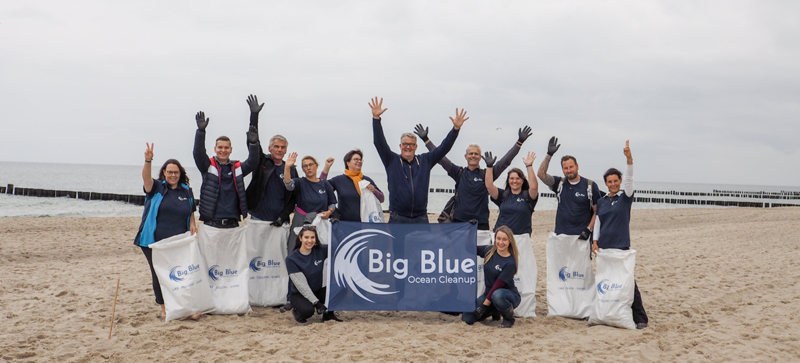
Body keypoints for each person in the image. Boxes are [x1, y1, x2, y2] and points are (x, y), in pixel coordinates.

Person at [370, 97, 467, 223]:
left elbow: (444, 148)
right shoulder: (391, 160)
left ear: (416, 147)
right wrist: (376, 119)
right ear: (400, 146)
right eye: (405, 144)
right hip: (398, 217)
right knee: (397, 244)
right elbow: (379, 142)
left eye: (411, 144)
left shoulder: (425, 161)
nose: (408, 147)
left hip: (420, 217)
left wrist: (455, 130)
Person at [414, 124, 531, 230]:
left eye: (476, 154)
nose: (473, 156)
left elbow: (505, 162)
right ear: (466, 156)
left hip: (481, 224)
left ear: (480, 157)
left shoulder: (487, 175)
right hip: (459, 223)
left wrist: (519, 142)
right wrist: (426, 140)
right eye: (471, 153)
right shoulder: (459, 173)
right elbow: (440, 158)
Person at [133, 143, 199, 320]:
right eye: (169, 172)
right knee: (159, 273)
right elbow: (146, 179)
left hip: (177, 241)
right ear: (164, 173)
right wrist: (148, 160)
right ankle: (164, 307)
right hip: (153, 241)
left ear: (180, 174)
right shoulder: (156, 188)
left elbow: (191, 209)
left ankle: (182, 306)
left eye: (175, 172)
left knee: (179, 273)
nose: (172, 175)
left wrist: (193, 223)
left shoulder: (187, 191)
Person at [592, 140, 648, 329]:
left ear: (620, 181)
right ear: (606, 183)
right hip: (605, 248)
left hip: (621, 246)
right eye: (610, 181)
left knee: (627, 282)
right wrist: (595, 241)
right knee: (606, 281)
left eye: (616, 181)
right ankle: (608, 313)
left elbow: (630, 179)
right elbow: (598, 222)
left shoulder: (626, 197)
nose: (613, 184)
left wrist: (629, 160)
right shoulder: (602, 201)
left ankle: (640, 318)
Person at [193, 110, 261, 227]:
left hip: (233, 223)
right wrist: (201, 132)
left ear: (231, 149)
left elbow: (253, 161)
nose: (223, 150)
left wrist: (253, 144)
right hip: (211, 223)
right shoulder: (207, 166)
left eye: (226, 148)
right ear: (215, 149)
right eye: (220, 147)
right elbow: (198, 153)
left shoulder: (237, 168)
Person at [244, 94, 298, 227]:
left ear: (286, 150)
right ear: (270, 148)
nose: (279, 150)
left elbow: (293, 197)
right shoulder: (261, 161)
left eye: (282, 147)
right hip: (258, 218)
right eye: (276, 147)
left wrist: (283, 217)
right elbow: (253, 141)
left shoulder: (290, 169)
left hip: (279, 222)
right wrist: (254, 116)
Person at [537, 137, 601, 238]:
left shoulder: (590, 185)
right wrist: (549, 154)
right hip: (561, 236)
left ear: (577, 166)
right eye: (565, 168)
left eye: (571, 167)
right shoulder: (559, 183)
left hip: (581, 237)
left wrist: (589, 229)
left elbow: (597, 212)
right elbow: (541, 174)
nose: (569, 170)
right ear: (562, 169)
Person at [462, 226, 520, 328]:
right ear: (495, 239)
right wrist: (470, 231)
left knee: (497, 295)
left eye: (504, 239)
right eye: (498, 238)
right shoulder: (489, 250)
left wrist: (484, 306)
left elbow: (497, 286)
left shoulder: (510, 262)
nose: (501, 242)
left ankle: (509, 319)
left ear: (510, 241)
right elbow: (468, 247)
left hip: (506, 295)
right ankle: (495, 311)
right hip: (489, 294)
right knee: (467, 318)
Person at [285, 225, 342, 323]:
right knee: (308, 311)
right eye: (306, 237)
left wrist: (336, 228)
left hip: (316, 290)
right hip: (299, 294)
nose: (309, 240)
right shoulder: (291, 259)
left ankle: (328, 315)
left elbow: (338, 246)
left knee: (339, 288)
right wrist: (317, 303)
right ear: (300, 238)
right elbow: (302, 285)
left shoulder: (320, 250)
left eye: (312, 237)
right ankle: (297, 312)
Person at [283, 153, 337, 248]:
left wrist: (329, 212)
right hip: (302, 221)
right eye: (305, 166)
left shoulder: (324, 184)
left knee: (319, 250)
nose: (308, 167)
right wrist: (287, 167)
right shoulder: (300, 182)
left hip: (321, 223)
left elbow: (332, 203)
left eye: (311, 165)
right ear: (303, 169)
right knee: (295, 249)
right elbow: (288, 185)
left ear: (316, 166)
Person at [319, 150, 385, 222]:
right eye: (356, 159)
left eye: (360, 159)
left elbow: (381, 199)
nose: (359, 161)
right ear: (348, 163)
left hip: (365, 223)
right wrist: (327, 167)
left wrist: (374, 190)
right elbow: (321, 188)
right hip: (345, 224)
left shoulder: (366, 180)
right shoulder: (339, 180)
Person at [484, 152, 539, 235]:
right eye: (512, 178)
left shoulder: (528, 196)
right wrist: (489, 167)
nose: (514, 181)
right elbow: (489, 186)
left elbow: (534, 187)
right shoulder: (503, 195)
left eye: (518, 178)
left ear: (522, 180)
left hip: (521, 237)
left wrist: (529, 166)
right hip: (501, 237)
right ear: (508, 180)